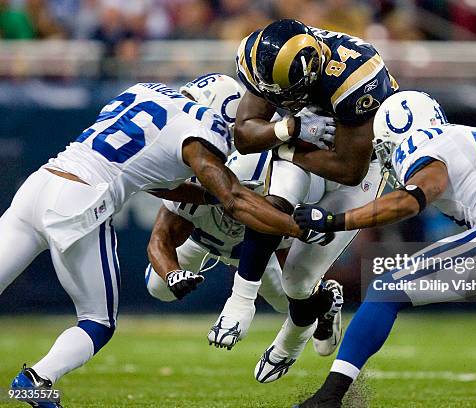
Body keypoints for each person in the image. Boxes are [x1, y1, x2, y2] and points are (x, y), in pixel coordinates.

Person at [0, 73, 325, 408]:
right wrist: (298, 226)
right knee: (98, 321)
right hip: (80, 199)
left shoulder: (143, 90)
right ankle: (35, 381)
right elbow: (235, 199)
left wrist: (207, 197)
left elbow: (151, 179)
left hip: (40, 184)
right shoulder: (204, 126)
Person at [294, 91, 476, 407]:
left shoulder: (423, 142)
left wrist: (335, 220)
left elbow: (416, 195)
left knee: (386, 288)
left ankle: (328, 398)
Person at [209, 18, 399, 383]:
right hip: (304, 143)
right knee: (273, 200)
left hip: (360, 167)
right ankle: (240, 300)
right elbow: (246, 136)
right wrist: (289, 128)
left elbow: (348, 169)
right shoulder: (267, 56)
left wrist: (285, 148)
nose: (275, 100)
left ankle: (296, 336)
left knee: (297, 281)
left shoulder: (357, 73)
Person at [144, 149, 338, 349]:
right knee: (158, 288)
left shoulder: (281, 200)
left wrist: (311, 292)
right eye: (238, 189)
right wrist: (172, 273)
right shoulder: (195, 189)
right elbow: (159, 240)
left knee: (288, 303)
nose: (241, 197)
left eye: (251, 192)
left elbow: (288, 260)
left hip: (253, 257)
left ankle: (326, 301)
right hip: (198, 241)